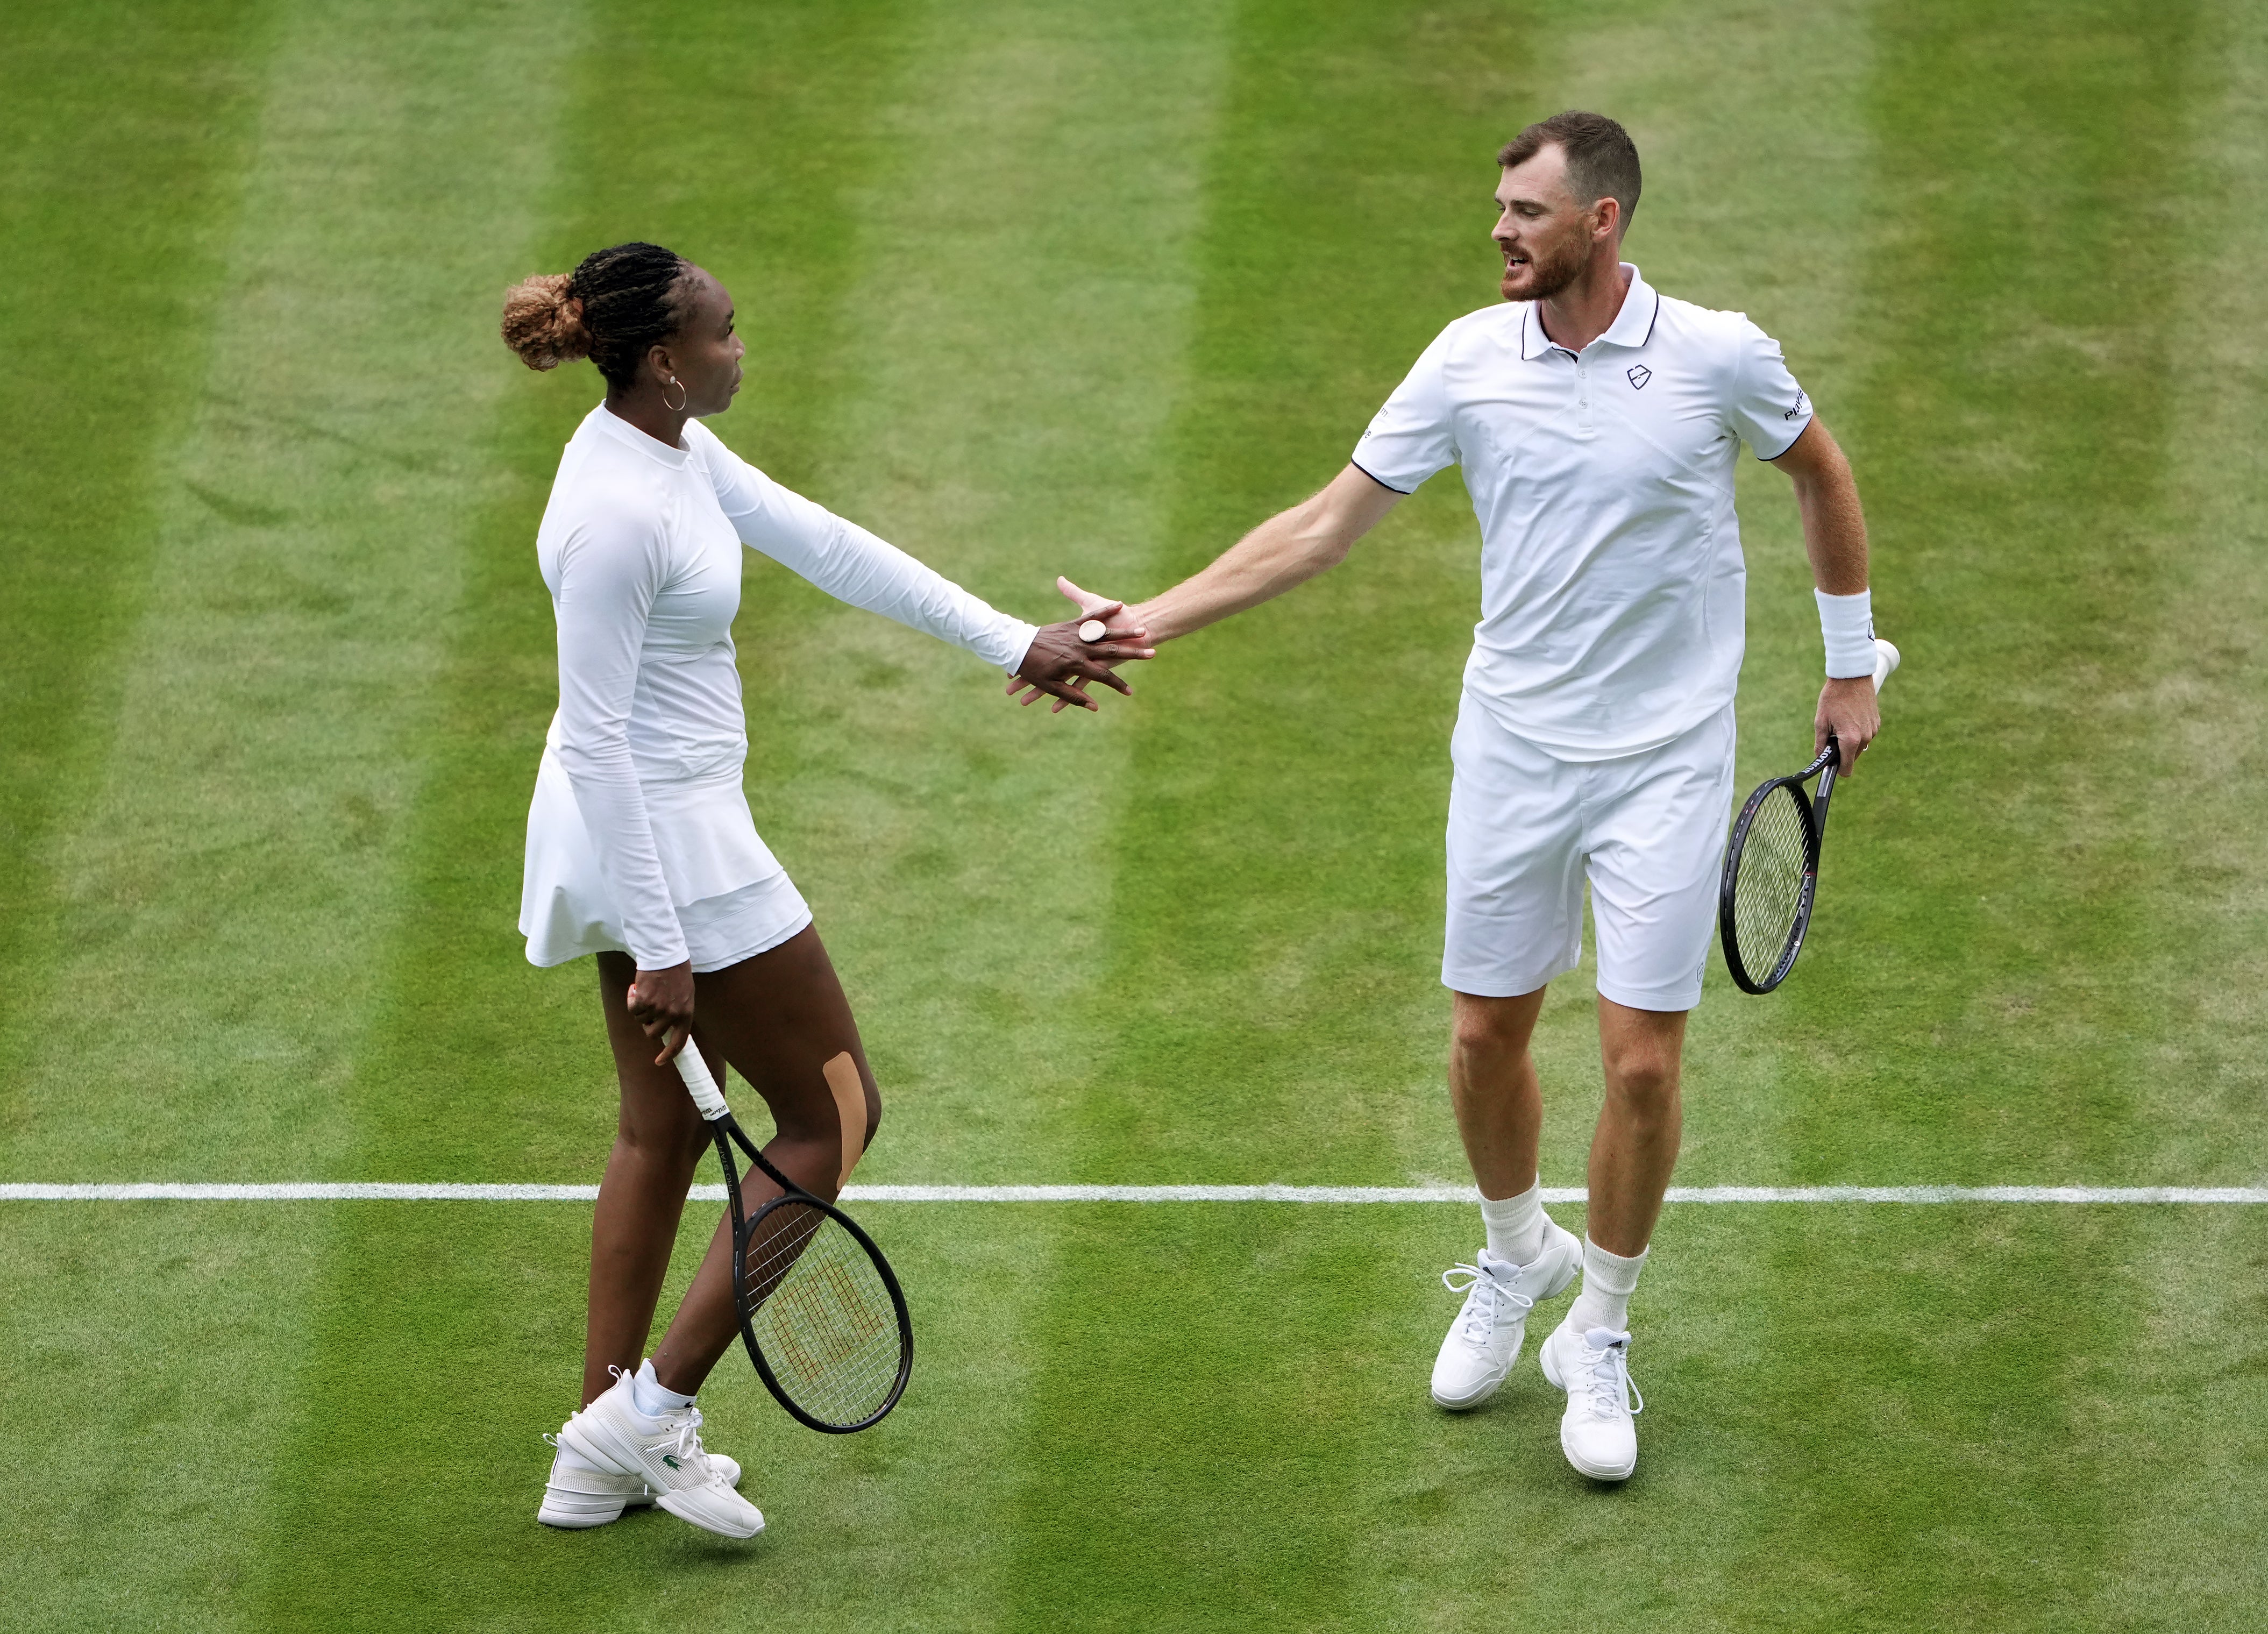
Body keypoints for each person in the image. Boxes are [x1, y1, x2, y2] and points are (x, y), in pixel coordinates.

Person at [1040, 111, 1879, 1482]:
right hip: (1512, 752)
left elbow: (1821, 474)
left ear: (1599, 222)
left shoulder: (1717, 355)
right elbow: (1325, 523)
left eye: (1526, 213)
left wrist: (1850, 669)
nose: (1500, 230)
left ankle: (1598, 1330)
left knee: (1642, 1064)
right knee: (1486, 1037)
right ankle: (1514, 1258)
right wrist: (1155, 620)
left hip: (1666, 760)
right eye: (1498, 207)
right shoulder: (1467, 361)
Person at [498, 241, 1149, 1539]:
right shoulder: (614, 513)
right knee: (835, 1113)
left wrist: (1011, 639)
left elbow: (829, 546)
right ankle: (651, 1410)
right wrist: (666, 946)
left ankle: (593, 1455)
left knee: (664, 1132)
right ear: (667, 357)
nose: (746, 348)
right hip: (668, 843)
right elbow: (594, 738)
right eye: (728, 332)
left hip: (642, 831)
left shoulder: (666, 446)